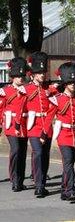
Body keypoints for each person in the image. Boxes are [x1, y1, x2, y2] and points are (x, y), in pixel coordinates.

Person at [20, 52, 56, 198]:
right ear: (33, 75)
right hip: (34, 125)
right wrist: (18, 125)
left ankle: (42, 183)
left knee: (45, 155)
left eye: (43, 72)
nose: (42, 75)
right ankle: (38, 185)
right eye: (39, 73)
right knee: (38, 153)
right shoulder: (26, 89)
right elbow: (20, 107)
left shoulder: (49, 88)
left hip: (47, 126)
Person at [49, 62, 75, 201]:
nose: (73, 84)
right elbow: (48, 117)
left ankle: (64, 188)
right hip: (63, 134)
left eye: (74, 82)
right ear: (65, 83)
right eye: (70, 82)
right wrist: (45, 134)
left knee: (70, 164)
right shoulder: (57, 99)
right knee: (68, 162)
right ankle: (70, 190)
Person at [0, 58, 29, 192]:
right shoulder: (5, 91)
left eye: (22, 76)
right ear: (12, 77)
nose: (20, 78)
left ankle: (20, 180)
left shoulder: (28, 90)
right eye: (18, 76)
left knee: (22, 153)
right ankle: (14, 179)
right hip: (10, 124)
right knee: (16, 150)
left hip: (24, 123)